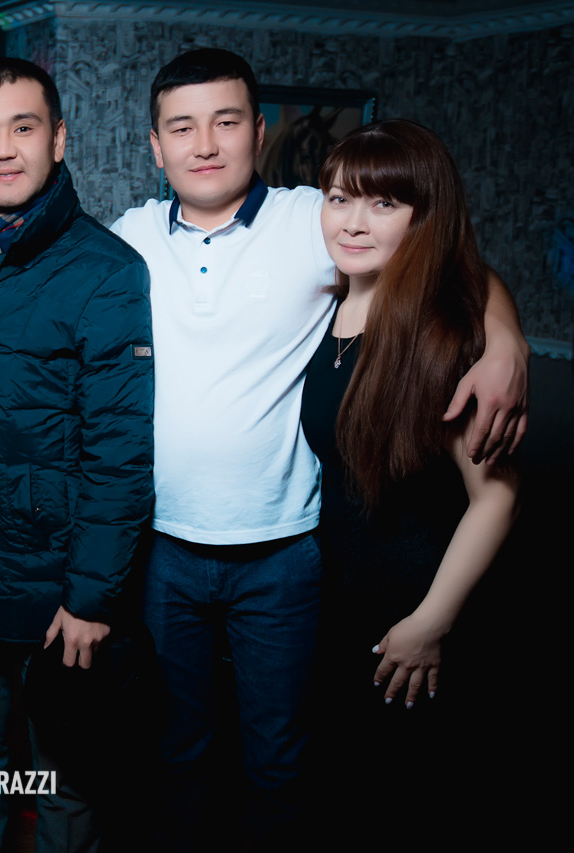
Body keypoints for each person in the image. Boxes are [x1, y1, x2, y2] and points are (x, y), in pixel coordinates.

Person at [109, 48, 529, 850]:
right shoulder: (127, 238)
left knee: (283, 756)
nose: (206, 144)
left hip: (287, 550)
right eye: (182, 127)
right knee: (177, 746)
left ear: (258, 133)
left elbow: (448, 259)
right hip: (162, 547)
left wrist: (506, 342)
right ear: (155, 147)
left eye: (226, 121)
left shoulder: (317, 219)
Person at [0, 57, 153, 852]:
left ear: (59, 139)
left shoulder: (107, 269)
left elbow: (119, 451)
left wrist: (91, 597)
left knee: (66, 774)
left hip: (58, 587)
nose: (4, 148)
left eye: (24, 127)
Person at [301, 119, 519, 836]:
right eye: (339, 198)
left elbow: (497, 495)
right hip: (336, 606)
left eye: (384, 203)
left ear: (424, 216)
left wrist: (431, 621)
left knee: (408, 807)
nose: (353, 222)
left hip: (417, 613)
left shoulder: (446, 334)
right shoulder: (323, 304)